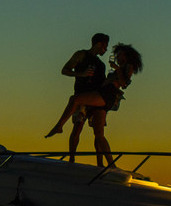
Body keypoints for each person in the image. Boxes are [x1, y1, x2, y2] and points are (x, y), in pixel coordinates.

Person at [45, 43, 144, 168]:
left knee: (75, 99)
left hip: (106, 94)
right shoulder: (120, 67)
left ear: (126, 55)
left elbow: (124, 84)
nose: (117, 57)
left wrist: (116, 69)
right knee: (99, 134)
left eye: (119, 55)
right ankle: (108, 165)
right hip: (105, 95)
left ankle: (59, 126)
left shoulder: (128, 66)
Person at [59, 33, 109, 164]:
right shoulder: (81, 55)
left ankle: (100, 163)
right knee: (77, 127)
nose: (105, 50)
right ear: (98, 44)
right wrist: (80, 74)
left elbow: (102, 83)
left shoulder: (101, 65)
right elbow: (65, 70)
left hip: (95, 99)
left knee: (98, 132)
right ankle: (71, 159)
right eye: (105, 47)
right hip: (81, 96)